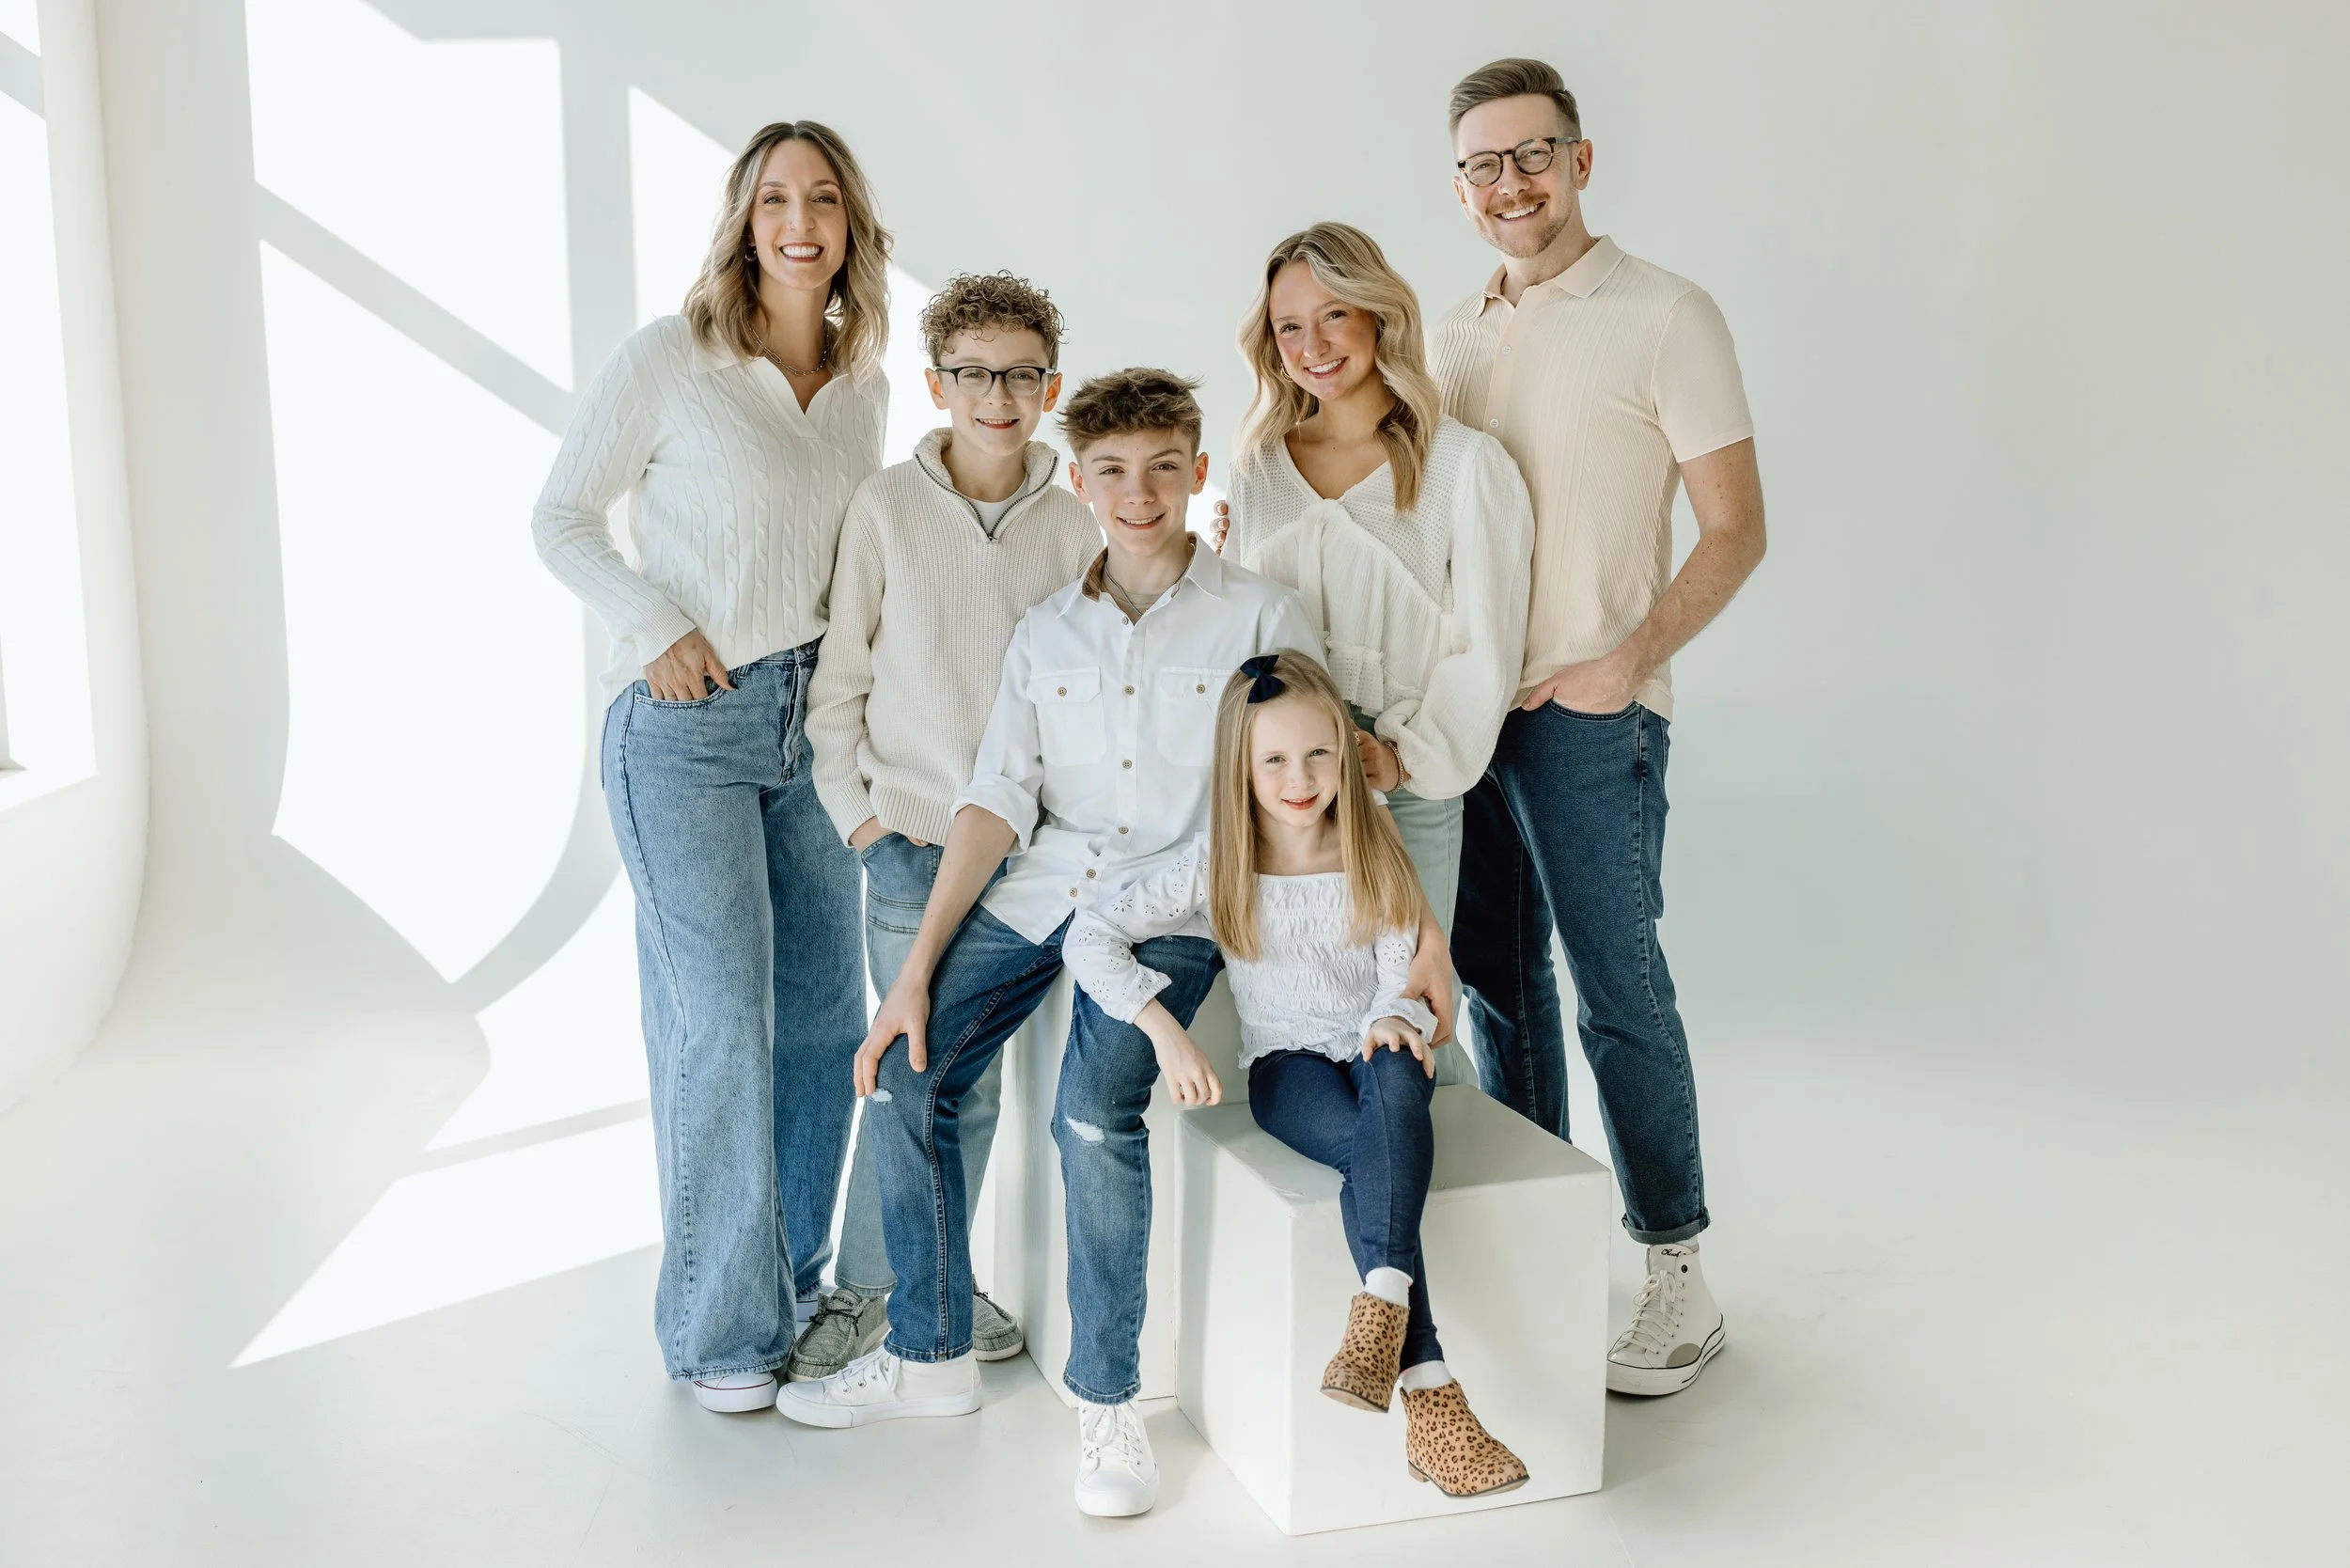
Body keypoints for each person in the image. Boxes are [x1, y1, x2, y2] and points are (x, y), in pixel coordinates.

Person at [779, 370, 1449, 1520]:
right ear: (1078, 482)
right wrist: (916, 970)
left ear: (1197, 473)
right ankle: (932, 1350)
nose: (1136, 495)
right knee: (904, 1067)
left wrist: (1419, 930)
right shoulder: (1047, 633)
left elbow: (1319, 777)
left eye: (1159, 469)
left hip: (1180, 911)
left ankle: (1109, 1403)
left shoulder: (1257, 614)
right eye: (1109, 472)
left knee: (1092, 1107)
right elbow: (997, 796)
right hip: (1043, 892)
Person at [529, 120, 892, 1413]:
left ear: (852, 226)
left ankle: (787, 1289)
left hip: (809, 734)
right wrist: (652, 624)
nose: (800, 223)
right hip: (682, 727)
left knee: (825, 1019)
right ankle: (717, 1336)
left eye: (825, 201)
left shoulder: (862, 385)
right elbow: (559, 517)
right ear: (743, 219)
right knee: (721, 1020)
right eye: (776, 199)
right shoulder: (672, 362)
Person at [1430, 58, 1769, 1397]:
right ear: (1460, 190)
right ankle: (1539, 1252)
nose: (1511, 183)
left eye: (1532, 154)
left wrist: (1623, 662)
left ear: (1580, 160)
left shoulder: (1667, 315)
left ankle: (1677, 1274)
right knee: (1505, 992)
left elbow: (1738, 529)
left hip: (1590, 719)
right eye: (1484, 165)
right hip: (1468, 723)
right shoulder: (1451, 335)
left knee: (1618, 996)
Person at [1061, 651, 1529, 1499]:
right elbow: (1087, 934)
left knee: (1390, 1078)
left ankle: (1397, 1341)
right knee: (1368, 1150)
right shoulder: (1219, 863)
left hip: (1383, 1048)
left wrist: (1396, 1012)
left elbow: (1404, 967)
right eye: (1273, 759)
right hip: (1288, 1069)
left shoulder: (1372, 839)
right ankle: (1422, 1375)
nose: (1300, 777)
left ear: (1345, 755)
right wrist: (1162, 1029)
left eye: (1318, 754)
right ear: (1241, 768)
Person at [795, 272, 1100, 1381]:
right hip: (914, 841)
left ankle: (940, 1287)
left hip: (1028, 856)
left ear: (1048, 387)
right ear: (938, 386)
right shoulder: (885, 508)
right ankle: (873, 1296)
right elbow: (841, 681)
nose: (998, 396)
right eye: (974, 375)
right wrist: (862, 821)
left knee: (975, 1085)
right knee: (911, 1072)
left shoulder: (1074, 524)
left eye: (1021, 375)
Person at [1219, 222, 1534, 945]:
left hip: (1403, 778)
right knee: (1288, 1020)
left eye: (1334, 314)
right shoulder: (1259, 463)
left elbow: (1486, 649)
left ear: (1377, 313)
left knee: (1410, 1014)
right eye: (1289, 327)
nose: (1313, 347)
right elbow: (1239, 629)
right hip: (1275, 781)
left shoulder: (1463, 466)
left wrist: (1401, 761)